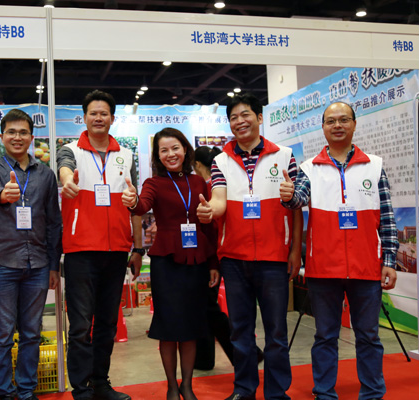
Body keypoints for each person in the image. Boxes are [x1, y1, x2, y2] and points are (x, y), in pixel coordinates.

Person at [280, 101, 399, 400]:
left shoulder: (374, 165)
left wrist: (389, 260)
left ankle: (373, 393)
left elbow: (386, 217)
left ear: (354, 124)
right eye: (331, 121)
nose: (337, 125)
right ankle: (324, 393)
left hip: (366, 267)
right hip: (323, 269)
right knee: (325, 336)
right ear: (322, 127)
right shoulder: (309, 168)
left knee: (369, 336)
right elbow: (299, 198)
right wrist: (289, 196)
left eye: (343, 119)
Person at [196, 93, 303, 400]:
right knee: (240, 330)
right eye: (233, 117)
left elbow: (296, 206)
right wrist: (210, 210)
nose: (240, 121)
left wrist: (295, 250)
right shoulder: (220, 161)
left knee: (276, 332)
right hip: (234, 259)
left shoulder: (284, 155)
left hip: (274, 258)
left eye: (245, 115)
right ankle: (244, 389)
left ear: (259, 117)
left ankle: (276, 392)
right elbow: (219, 199)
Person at [122, 128, 220, 400]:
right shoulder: (153, 183)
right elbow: (142, 206)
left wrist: (213, 262)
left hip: (196, 261)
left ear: (185, 149)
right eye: (163, 150)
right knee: (168, 326)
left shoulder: (198, 182)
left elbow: (209, 226)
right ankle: (171, 387)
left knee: (190, 327)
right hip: (166, 264)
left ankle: (187, 385)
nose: (170, 154)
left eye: (175, 148)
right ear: (158, 156)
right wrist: (133, 201)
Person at [57, 89, 142, 400]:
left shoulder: (126, 155)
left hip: (116, 250)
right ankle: (81, 389)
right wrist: (67, 179)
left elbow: (133, 201)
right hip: (81, 250)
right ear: (84, 117)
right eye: (93, 113)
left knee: (107, 322)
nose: (98, 118)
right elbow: (65, 167)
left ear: (112, 118)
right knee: (80, 325)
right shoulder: (70, 150)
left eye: (103, 113)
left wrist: (137, 246)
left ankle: (101, 383)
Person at [0, 109, 62, 400]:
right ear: (2, 137)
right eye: (11, 132)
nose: (17, 137)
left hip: (38, 264)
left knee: (32, 332)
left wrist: (54, 265)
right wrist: (4, 195)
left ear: (31, 137)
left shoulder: (46, 174)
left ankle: (26, 391)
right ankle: (4, 391)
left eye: (23, 132)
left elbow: (53, 222)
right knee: (1, 333)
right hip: (1, 263)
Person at [192, 145, 235, 370]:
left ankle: (239, 353)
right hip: (213, 252)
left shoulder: (208, 188)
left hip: (211, 253)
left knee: (207, 306)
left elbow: (210, 227)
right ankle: (205, 359)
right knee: (205, 307)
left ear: (197, 164)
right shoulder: (214, 186)